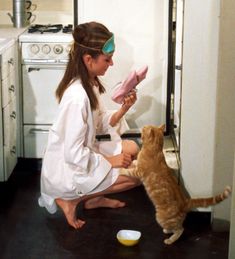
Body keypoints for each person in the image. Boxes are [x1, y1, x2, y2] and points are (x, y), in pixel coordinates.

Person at [38, 21, 141, 229]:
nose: (111, 64)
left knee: (133, 148)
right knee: (137, 176)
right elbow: (73, 155)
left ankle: (93, 199)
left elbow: (100, 123)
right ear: (88, 59)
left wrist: (123, 109)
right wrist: (111, 160)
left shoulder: (89, 83)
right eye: (107, 59)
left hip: (82, 153)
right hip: (69, 167)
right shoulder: (77, 97)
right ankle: (71, 199)